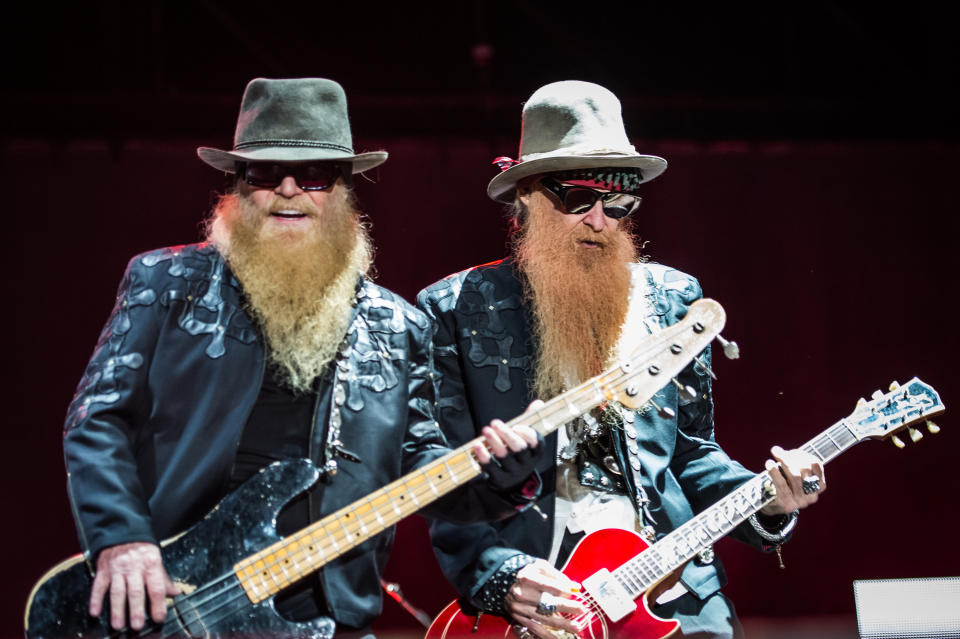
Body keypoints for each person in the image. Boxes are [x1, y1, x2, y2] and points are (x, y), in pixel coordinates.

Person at [62, 77, 543, 636]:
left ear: (343, 190)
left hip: (328, 618)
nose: (288, 189)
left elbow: (421, 465)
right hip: (178, 604)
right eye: (264, 173)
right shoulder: (166, 282)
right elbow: (96, 420)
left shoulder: (397, 324)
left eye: (313, 175)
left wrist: (503, 475)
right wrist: (122, 539)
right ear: (238, 187)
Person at [418, 80, 826, 639]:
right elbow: (441, 477)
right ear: (527, 199)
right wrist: (500, 575)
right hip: (543, 595)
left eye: (619, 201)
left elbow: (691, 451)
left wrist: (771, 501)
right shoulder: (457, 309)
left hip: (669, 589)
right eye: (577, 198)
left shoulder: (675, 299)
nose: (599, 219)